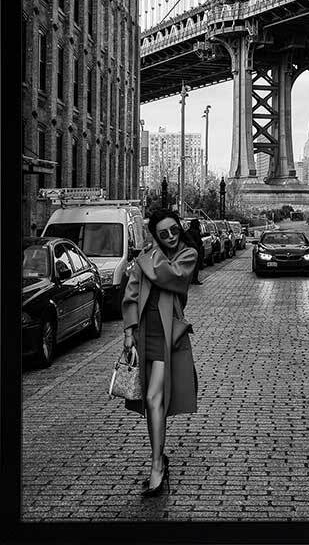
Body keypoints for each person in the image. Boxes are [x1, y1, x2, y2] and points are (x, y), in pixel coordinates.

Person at [122, 208, 198, 497]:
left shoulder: (187, 254)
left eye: (174, 230)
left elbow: (171, 276)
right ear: (155, 235)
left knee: (155, 398)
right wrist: (128, 332)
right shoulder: (147, 257)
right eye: (163, 233)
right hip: (144, 334)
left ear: (180, 228)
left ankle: (156, 466)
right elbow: (131, 294)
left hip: (168, 336)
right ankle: (158, 459)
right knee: (150, 401)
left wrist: (146, 256)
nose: (170, 237)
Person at [186, 218, 205, 285]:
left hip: (189, 251)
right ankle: (195, 280)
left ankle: (190, 279)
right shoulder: (196, 232)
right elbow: (199, 241)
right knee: (196, 266)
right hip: (196, 251)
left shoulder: (188, 231)